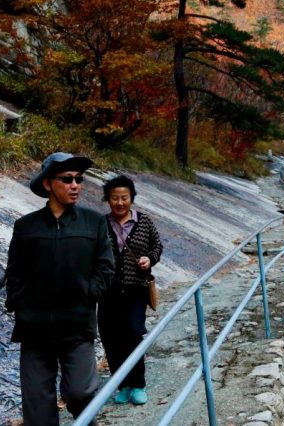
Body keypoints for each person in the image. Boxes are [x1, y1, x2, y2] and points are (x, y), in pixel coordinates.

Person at [5, 152, 114, 425]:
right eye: (67, 179)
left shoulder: (94, 222)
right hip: (34, 330)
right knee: (38, 411)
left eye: (78, 179)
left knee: (80, 394)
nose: (75, 185)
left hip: (77, 327)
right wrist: (18, 302)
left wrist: (89, 295)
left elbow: (105, 267)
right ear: (47, 184)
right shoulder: (25, 226)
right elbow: (15, 271)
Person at [97, 174, 163, 407]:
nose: (120, 202)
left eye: (124, 197)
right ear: (108, 199)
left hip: (135, 290)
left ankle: (138, 384)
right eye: (114, 198)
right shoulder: (100, 223)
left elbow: (157, 246)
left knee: (133, 333)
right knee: (110, 337)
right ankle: (122, 385)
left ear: (132, 198)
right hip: (107, 291)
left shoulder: (144, 222)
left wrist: (149, 259)